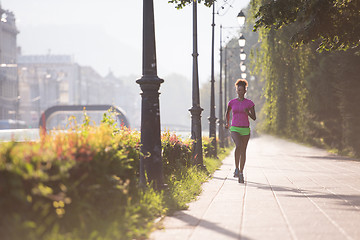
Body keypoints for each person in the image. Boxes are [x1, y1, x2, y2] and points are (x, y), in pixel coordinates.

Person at [225, 79, 256, 183]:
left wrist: (248, 113)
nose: (240, 92)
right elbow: (227, 113)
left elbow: (254, 117)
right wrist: (227, 123)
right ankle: (236, 168)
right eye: (238, 90)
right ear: (236, 90)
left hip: (245, 129)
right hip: (234, 128)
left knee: (243, 150)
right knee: (238, 145)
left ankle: (241, 173)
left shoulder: (249, 103)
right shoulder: (232, 102)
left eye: (242, 90)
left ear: (245, 91)